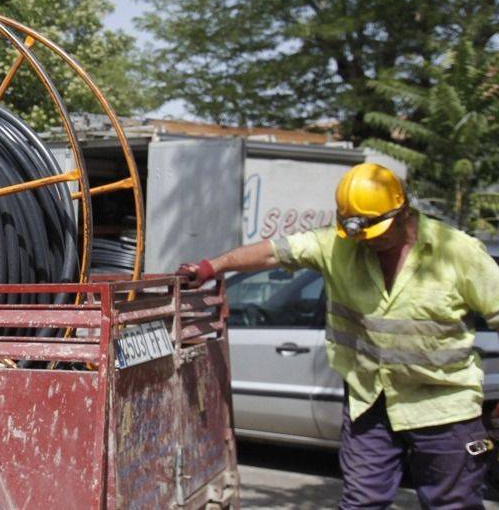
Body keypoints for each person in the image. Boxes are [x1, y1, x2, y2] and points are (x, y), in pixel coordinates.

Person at [179, 163, 499, 508]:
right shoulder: (339, 245)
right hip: (370, 401)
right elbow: (275, 250)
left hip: (444, 405)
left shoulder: (458, 252)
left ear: (403, 208)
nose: (368, 243)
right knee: (360, 502)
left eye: (377, 232)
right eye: (360, 234)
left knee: (452, 504)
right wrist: (212, 266)